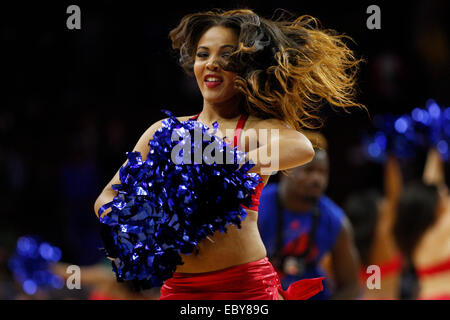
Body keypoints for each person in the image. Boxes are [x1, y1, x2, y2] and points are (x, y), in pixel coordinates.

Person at [94, 9, 363, 300]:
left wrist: (220, 170)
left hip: (247, 289)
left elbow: (301, 148)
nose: (212, 64)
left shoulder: (254, 129)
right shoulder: (163, 132)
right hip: (181, 290)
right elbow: (106, 198)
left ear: (245, 66)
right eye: (203, 55)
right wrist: (143, 222)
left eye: (226, 55)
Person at [258, 132, 361, 299]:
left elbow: (350, 285)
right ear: (287, 169)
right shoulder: (256, 207)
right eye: (310, 170)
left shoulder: (336, 221)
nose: (317, 179)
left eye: (323, 172)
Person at [393, 148, 450, 300]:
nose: (445, 194)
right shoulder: (444, 226)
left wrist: (434, 151)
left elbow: (433, 183)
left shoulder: (417, 236)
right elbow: (435, 184)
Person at [345, 155, 404, 300]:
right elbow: (395, 195)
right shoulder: (384, 238)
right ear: (375, 216)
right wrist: (391, 156)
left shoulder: (344, 249)